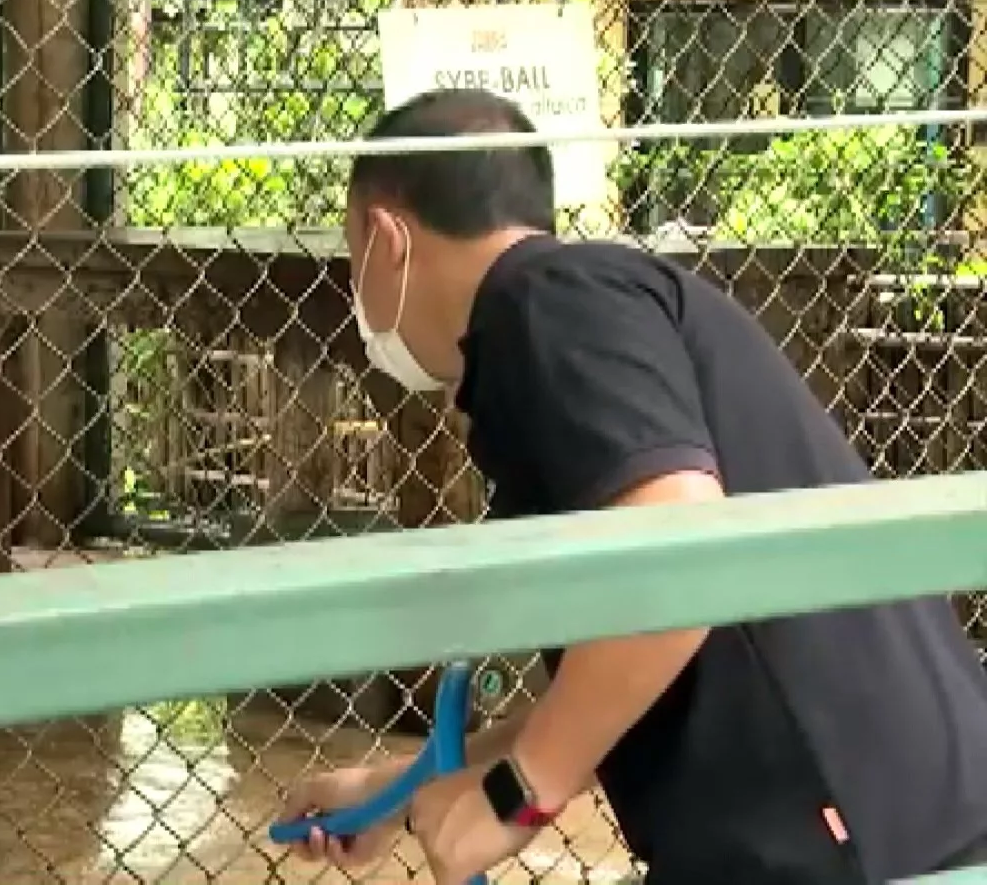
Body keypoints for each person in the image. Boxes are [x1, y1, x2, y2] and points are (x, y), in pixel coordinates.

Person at [272, 87, 987, 884]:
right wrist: (405, 793)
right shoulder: (582, 310)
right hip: (897, 811)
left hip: (843, 832)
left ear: (384, 237)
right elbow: (614, 663)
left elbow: (686, 551)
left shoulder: (544, 301)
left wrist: (519, 797)